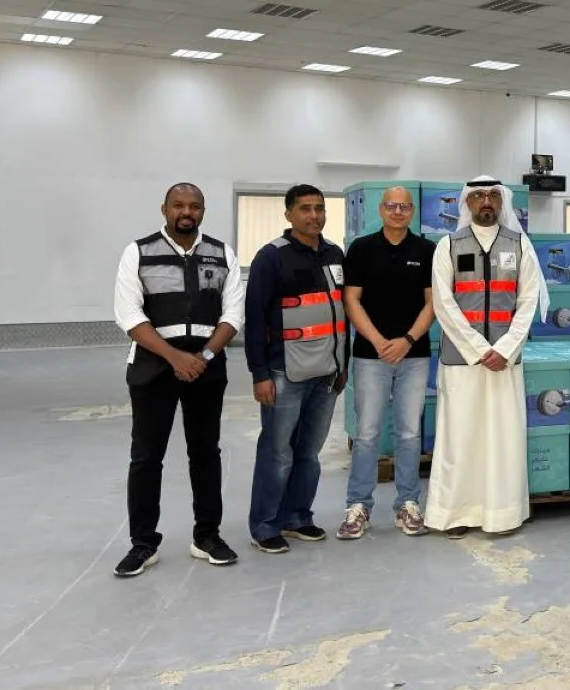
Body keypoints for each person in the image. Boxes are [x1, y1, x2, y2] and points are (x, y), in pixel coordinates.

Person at [111, 182, 243, 577]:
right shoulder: (138, 251)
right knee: (147, 457)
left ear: (203, 210)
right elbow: (129, 314)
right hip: (154, 368)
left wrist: (201, 357)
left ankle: (207, 536)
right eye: (179, 205)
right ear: (164, 208)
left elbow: (232, 314)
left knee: (206, 453)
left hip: (206, 367)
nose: (187, 212)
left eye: (195, 206)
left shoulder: (222, 254)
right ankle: (142, 543)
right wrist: (174, 357)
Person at [424, 175, 547, 539]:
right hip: (463, 362)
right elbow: (443, 305)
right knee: (460, 438)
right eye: (478, 196)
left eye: (493, 195)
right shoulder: (448, 245)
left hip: (505, 362)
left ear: (502, 202)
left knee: (503, 437)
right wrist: (480, 351)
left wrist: (505, 349)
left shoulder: (520, 244)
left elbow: (529, 301)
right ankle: (456, 513)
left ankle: (503, 514)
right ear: (467, 203)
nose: (486, 202)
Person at [245, 184, 349, 554]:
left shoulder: (335, 254)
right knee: (278, 451)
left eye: (319, 208)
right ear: (288, 214)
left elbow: (342, 315)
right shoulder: (271, 258)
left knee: (309, 452)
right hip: (284, 372)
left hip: (326, 373)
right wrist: (260, 375)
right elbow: (255, 319)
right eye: (305, 208)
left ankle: (298, 517)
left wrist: (343, 364)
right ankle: (266, 524)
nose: (314, 215)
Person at [337, 186, 435, 539]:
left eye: (404, 206)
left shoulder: (426, 250)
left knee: (409, 434)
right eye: (391, 206)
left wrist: (407, 340)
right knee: (367, 434)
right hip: (370, 356)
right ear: (381, 209)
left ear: (412, 211)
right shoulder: (362, 249)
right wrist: (379, 342)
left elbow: (432, 302)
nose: (397, 211)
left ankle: (407, 505)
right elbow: (352, 300)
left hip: (414, 355)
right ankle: (358, 506)